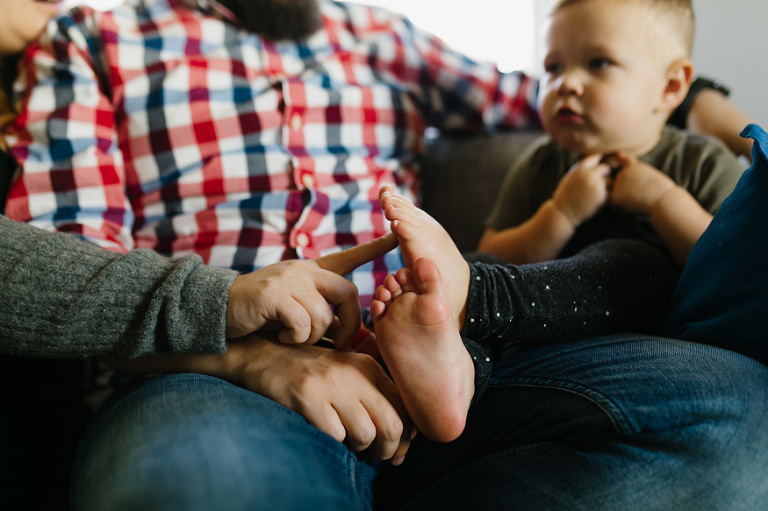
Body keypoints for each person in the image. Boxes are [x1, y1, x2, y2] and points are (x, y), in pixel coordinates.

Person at [3, 1, 768, 510]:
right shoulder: (94, 39)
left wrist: (715, 108)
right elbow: (71, 278)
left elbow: (574, 86)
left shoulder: (381, 35)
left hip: (437, 365)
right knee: (199, 489)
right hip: (218, 380)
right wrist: (249, 355)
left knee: (737, 417)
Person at [478, 0, 745, 270]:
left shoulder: (705, 164)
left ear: (670, 86)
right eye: (553, 67)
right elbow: (489, 259)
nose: (565, 83)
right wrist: (560, 214)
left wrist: (663, 201)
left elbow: (741, 268)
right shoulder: (539, 164)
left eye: (598, 63)